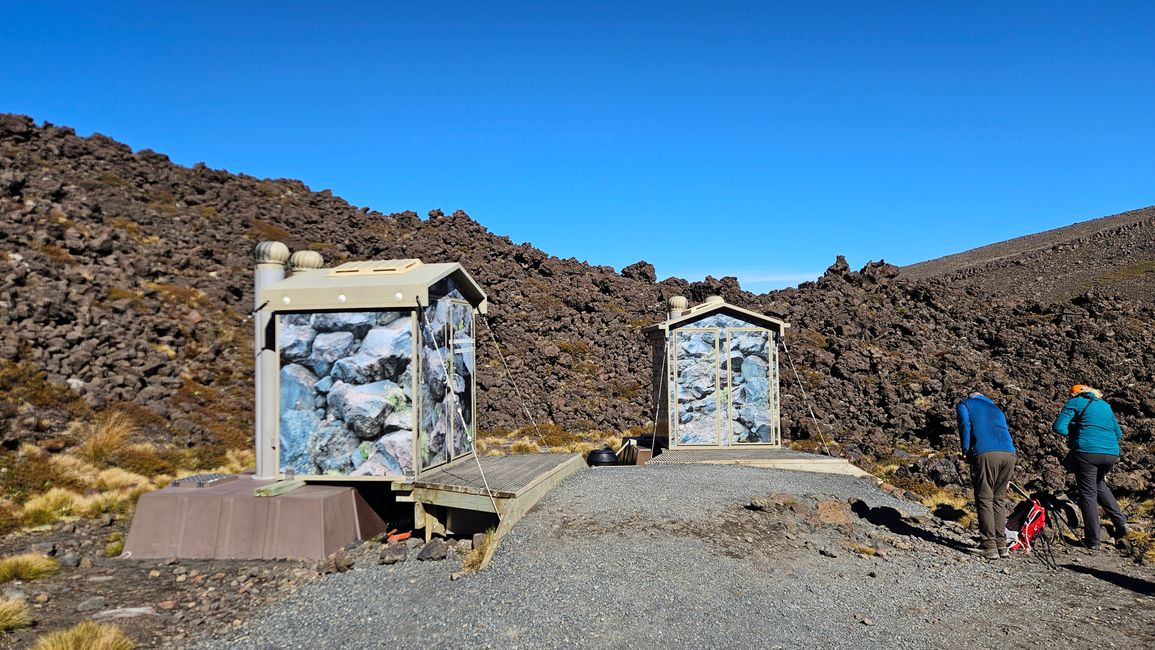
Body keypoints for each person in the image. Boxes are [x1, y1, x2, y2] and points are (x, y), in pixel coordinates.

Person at [1053, 384, 1128, 549]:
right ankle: (1122, 524)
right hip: (1111, 453)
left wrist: (1075, 431)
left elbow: (1058, 427)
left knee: (1088, 494)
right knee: (1099, 484)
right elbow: (1118, 434)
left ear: (1076, 394)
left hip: (1087, 452)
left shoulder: (1076, 402)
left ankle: (1093, 540)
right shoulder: (1105, 405)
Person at [956, 391, 1017, 559]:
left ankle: (989, 546)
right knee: (998, 499)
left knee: (984, 498)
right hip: (1009, 454)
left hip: (986, 453)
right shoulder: (997, 409)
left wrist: (966, 451)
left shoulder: (965, 404)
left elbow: (965, 426)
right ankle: (1001, 545)